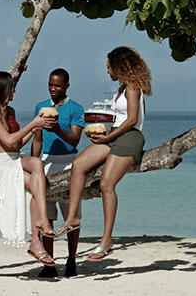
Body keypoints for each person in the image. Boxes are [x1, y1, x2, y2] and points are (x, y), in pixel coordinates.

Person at [57, 47, 151, 261]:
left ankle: (107, 241)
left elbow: (132, 120)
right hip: (115, 135)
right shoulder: (121, 88)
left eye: (109, 67)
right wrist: (104, 133)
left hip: (131, 137)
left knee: (106, 185)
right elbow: (119, 120)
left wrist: (108, 137)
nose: (107, 71)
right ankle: (72, 218)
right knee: (79, 164)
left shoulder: (133, 87)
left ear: (119, 66)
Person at [0, 71, 58, 266]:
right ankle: (37, 238)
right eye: (11, 87)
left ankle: (40, 226)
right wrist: (32, 123)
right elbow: (6, 140)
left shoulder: (10, 111)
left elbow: (16, 145)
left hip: (14, 158)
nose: (14, 90)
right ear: (1, 88)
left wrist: (34, 130)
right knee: (34, 185)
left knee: (37, 163)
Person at [31, 68, 85, 278]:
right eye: (50, 85)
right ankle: (49, 263)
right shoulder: (40, 107)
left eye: (58, 86)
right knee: (48, 217)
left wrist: (56, 131)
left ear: (66, 86)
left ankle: (72, 260)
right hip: (45, 163)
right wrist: (34, 163)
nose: (53, 89)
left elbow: (74, 139)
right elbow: (37, 139)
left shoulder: (76, 109)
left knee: (72, 216)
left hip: (70, 165)